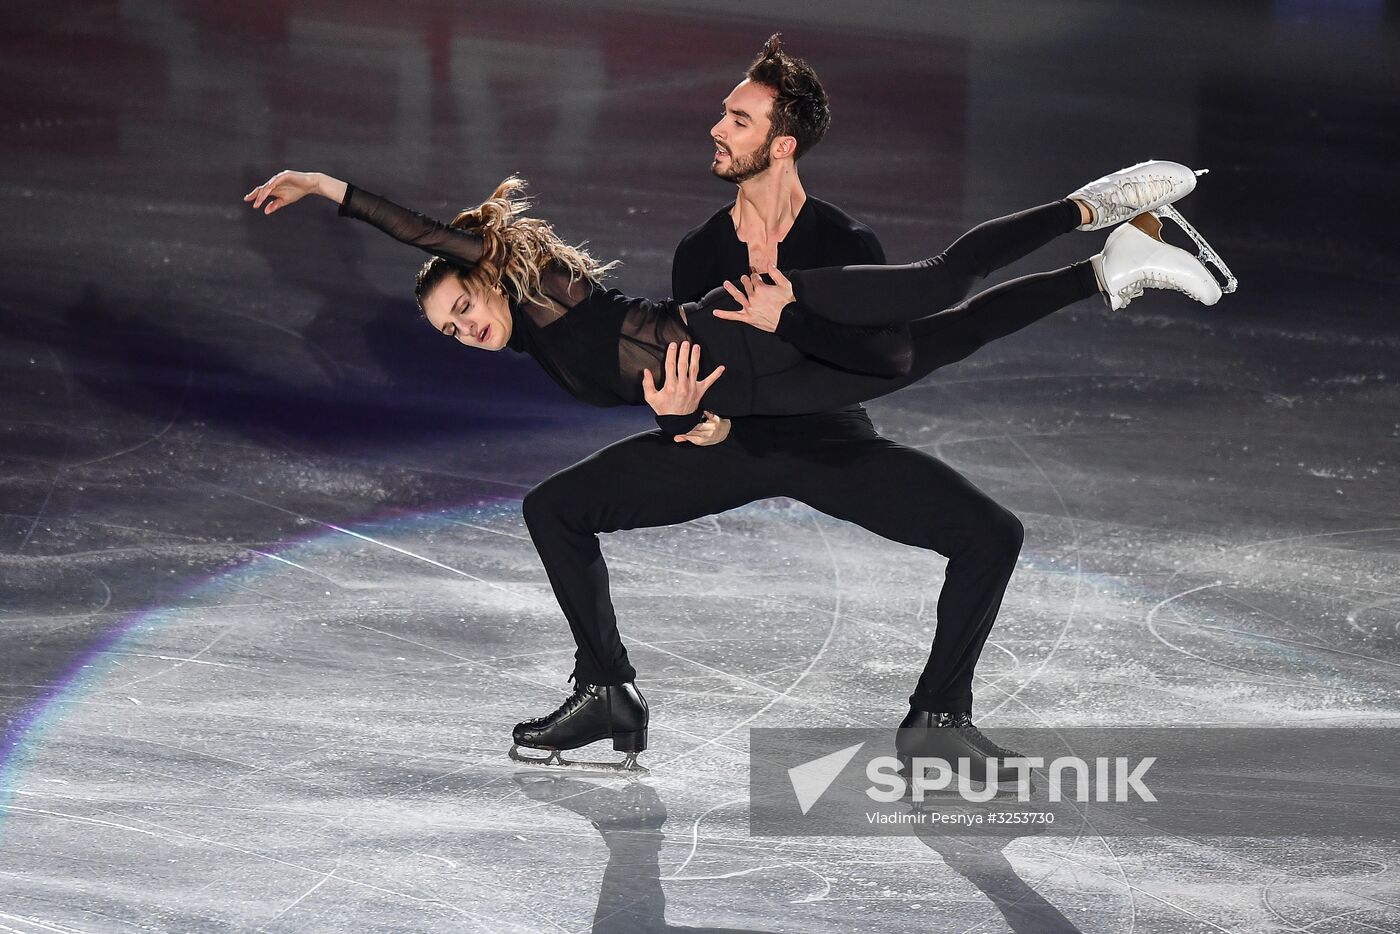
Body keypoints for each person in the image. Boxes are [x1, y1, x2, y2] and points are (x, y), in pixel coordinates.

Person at [243, 40, 1231, 775]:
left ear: (492, 278)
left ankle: (1094, 209)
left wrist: (328, 186)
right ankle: (607, 692)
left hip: (758, 344)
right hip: (743, 405)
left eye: (461, 304)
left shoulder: (541, 284)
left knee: (933, 304)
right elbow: (688, 401)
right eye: (446, 327)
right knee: (557, 505)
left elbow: (424, 228)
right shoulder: (551, 339)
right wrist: (687, 424)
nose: (460, 325)